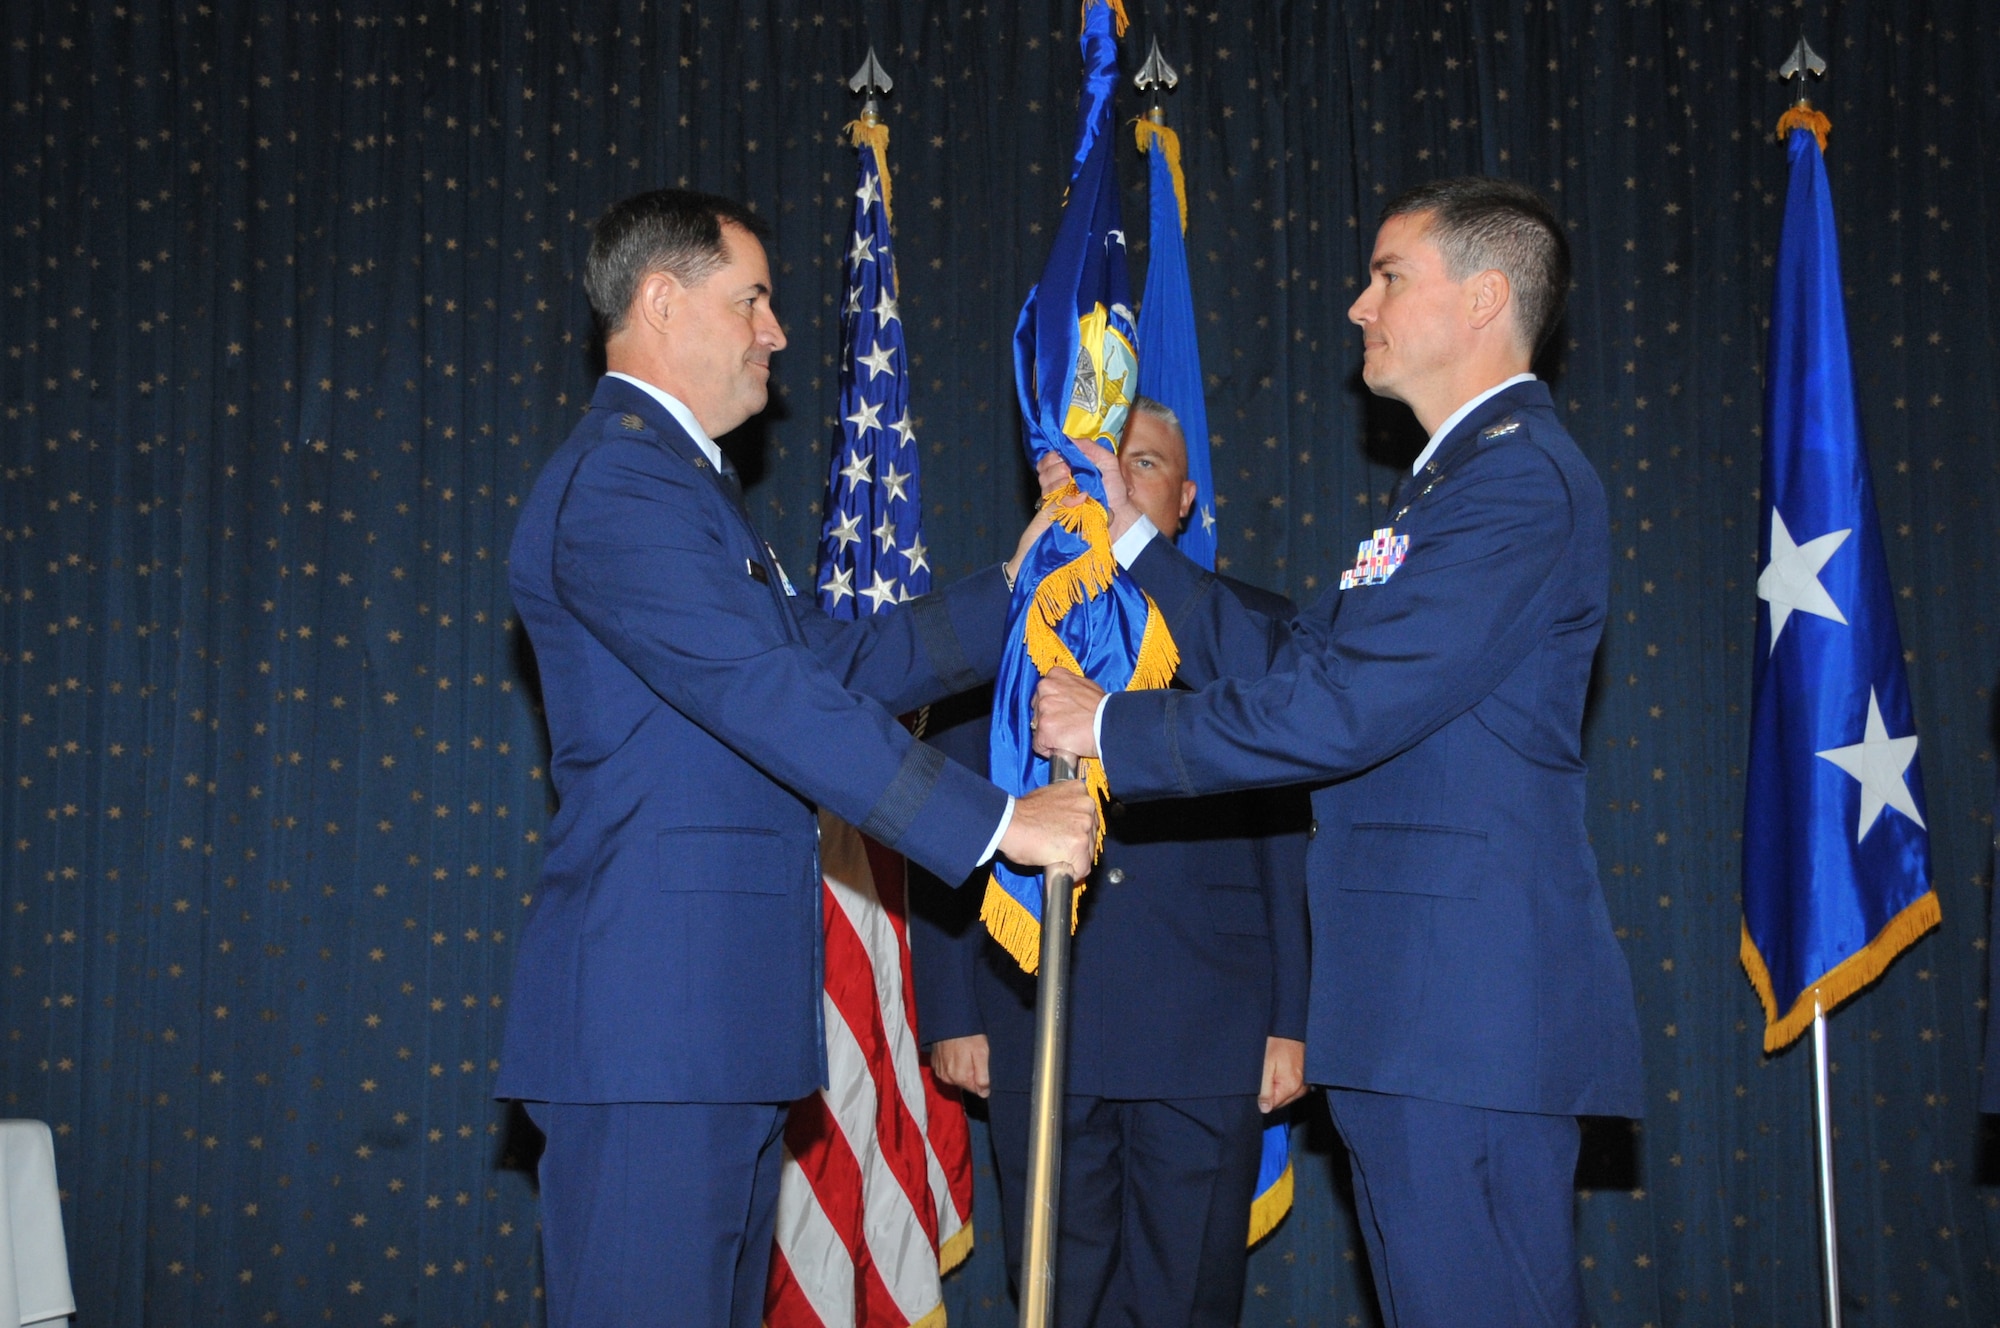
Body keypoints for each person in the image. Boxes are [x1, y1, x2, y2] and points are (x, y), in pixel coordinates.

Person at [1031, 178, 1644, 1328]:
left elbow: (1344, 707)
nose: (1358, 306)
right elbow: (1295, 654)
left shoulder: (1514, 481)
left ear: (1484, 297)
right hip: (1415, 1011)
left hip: (1461, 1019)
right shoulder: (1446, 488)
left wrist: (1111, 725)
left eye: (1386, 277)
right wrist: (1127, 536)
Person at [497, 188, 1098, 1328]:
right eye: (754, 299)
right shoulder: (623, 483)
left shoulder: (684, 490)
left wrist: (1013, 596)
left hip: (706, 1025)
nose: (776, 332)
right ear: (662, 302)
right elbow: (764, 692)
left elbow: (827, 659)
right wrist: (996, 822)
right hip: (652, 1032)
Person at [910, 398, 1311, 1326]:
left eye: (1145, 463)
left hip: (1205, 1025)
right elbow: (946, 816)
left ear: (1183, 502)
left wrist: (1292, 1018)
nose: (1117, 480)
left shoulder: (1248, 629)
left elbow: (1283, 843)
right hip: (1033, 1012)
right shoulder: (1006, 621)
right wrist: (952, 1009)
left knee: (1188, 1302)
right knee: (1056, 1297)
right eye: (1099, 461)